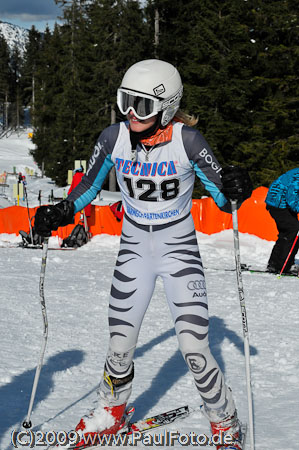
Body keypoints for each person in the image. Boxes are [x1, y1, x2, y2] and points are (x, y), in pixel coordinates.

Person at [34, 59, 252, 450]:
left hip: (178, 248)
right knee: (119, 343)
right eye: (126, 102)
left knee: (194, 348)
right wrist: (64, 211)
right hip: (134, 248)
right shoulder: (113, 137)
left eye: (143, 106)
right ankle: (110, 412)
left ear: (167, 108)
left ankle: (225, 421)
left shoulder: (188, 140)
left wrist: (238, 187)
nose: (132, 114)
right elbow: (88, 185)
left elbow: (223, 197)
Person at [265, 168, 299, 274]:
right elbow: (292, 197)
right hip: (279, 205)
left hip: (280, 204)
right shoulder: (297, 177)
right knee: (293, 230)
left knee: (286, 233)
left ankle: (274, 264)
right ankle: (284, 265)